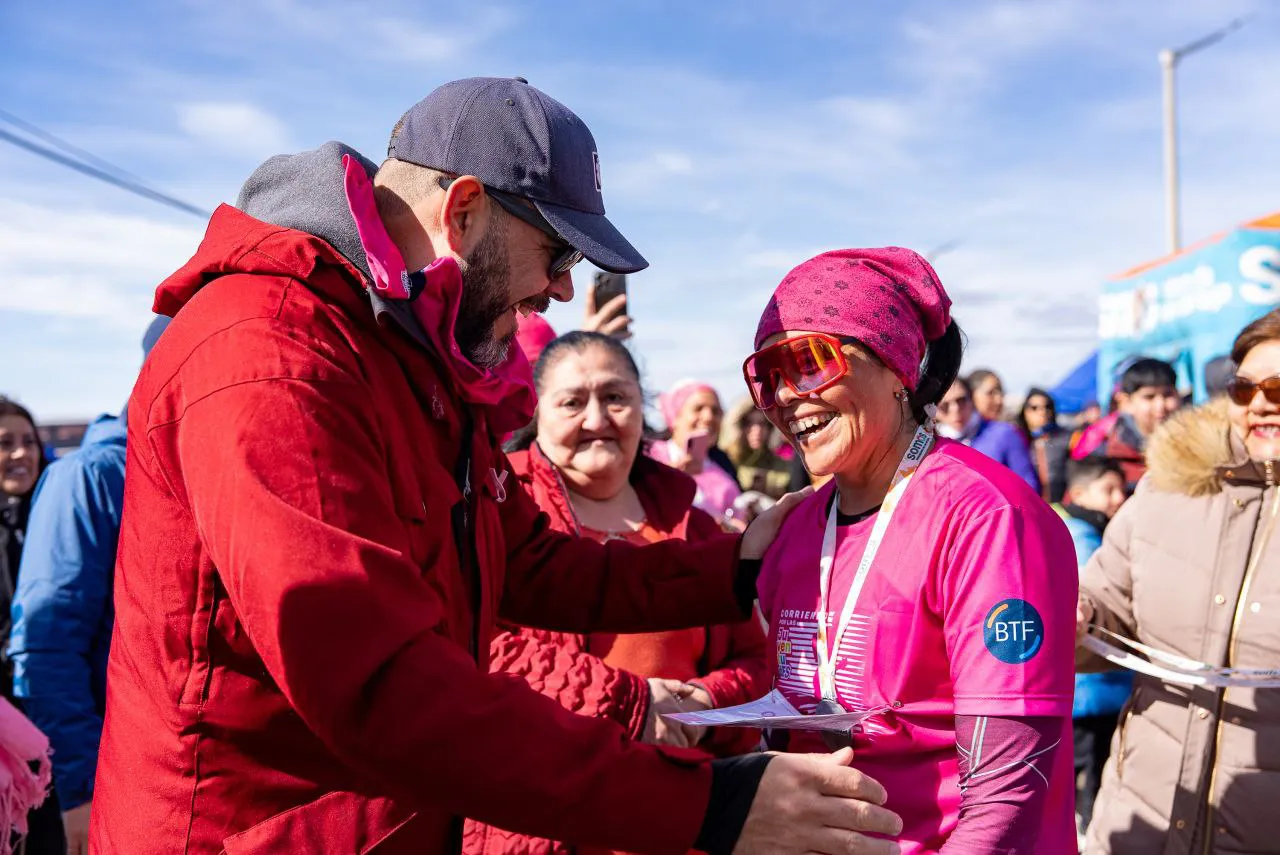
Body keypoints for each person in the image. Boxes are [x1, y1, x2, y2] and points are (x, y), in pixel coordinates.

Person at [91, 78, 902, 855]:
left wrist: (736, 565)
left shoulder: (410, 357)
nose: (557, 287)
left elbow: (520, 558)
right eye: (554, 252)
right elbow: (379, 684)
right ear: (465, 209)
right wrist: (709, 804)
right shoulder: (273, 351)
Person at [747, 247, 1078, 854]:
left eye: (811, 362)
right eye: (767, 376)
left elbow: (1008, 797)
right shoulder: (794, 531)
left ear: (895, 364)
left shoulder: (985, 519)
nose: (786, 396)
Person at [472, 332, 769, 854]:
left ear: (642, 407)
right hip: (545, 819)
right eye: (572, 402)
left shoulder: (695, 530)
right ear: (536, 413)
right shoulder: (496, 509)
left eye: (615, 398)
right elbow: (475, 653)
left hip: (687, 814)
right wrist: (628, 705)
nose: (596, 419)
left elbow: (757, 660)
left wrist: (702, 703)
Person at [1076, 307, 1280, 854]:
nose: (1261, 402)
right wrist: (1077, 615)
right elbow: (1105, 609)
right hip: (1141, 820)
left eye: (1278, 389)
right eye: (1245, 388)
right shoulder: (1168, 489)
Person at [8, 316, 169, 855]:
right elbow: (47, 646)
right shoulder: (91, 477)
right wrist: (77, 793)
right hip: (104, 781)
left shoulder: (181, 467)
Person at [1051, 458, 1130, 841]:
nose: (1118, 498)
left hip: (1091, 689)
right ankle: (1085, 832)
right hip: (1095, 687)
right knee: (1091, 770)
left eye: (1121, 489)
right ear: (1079, 493)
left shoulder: (1078, 529)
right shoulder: (1086, 539)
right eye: (1108, 490)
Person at [0, 398, 63, 855]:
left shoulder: (54, 519)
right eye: (5, 444)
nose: (21, 454)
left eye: (28, 442)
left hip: (47, 715)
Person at [1073, 357, 1180, 491]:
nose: (1160, 406)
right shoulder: (1106, 453)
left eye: (1167, 394)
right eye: (1149, 397)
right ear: (1126, 401)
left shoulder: (1196, 446)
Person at [650, 380, 743, 520]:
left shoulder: (724, 472)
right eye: (698, 408)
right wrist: (667, 479)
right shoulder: (649, 455)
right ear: (676, 416)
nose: (708, 417)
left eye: (716, 411)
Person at [936, 378, 1041, 492]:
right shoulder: (931, 447)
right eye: (944, 405)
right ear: (933, 410)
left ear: (972, 399)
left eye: (961, 400)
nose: (955, 409)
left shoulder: (1005, 433)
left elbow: (1029, 487)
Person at [723, 398, 793, 501]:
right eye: (749, 423)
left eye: (762, 423)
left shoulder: (783, 465)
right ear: (739, 427)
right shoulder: (727, 462)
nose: (757, 431)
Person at [1017, 388, 1070, 503]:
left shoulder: (1066, 438)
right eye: (1034, 408)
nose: (1042, 412)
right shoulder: (1018, 441)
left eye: (1047, 407)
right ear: (1025, 412)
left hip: (1062, 507)